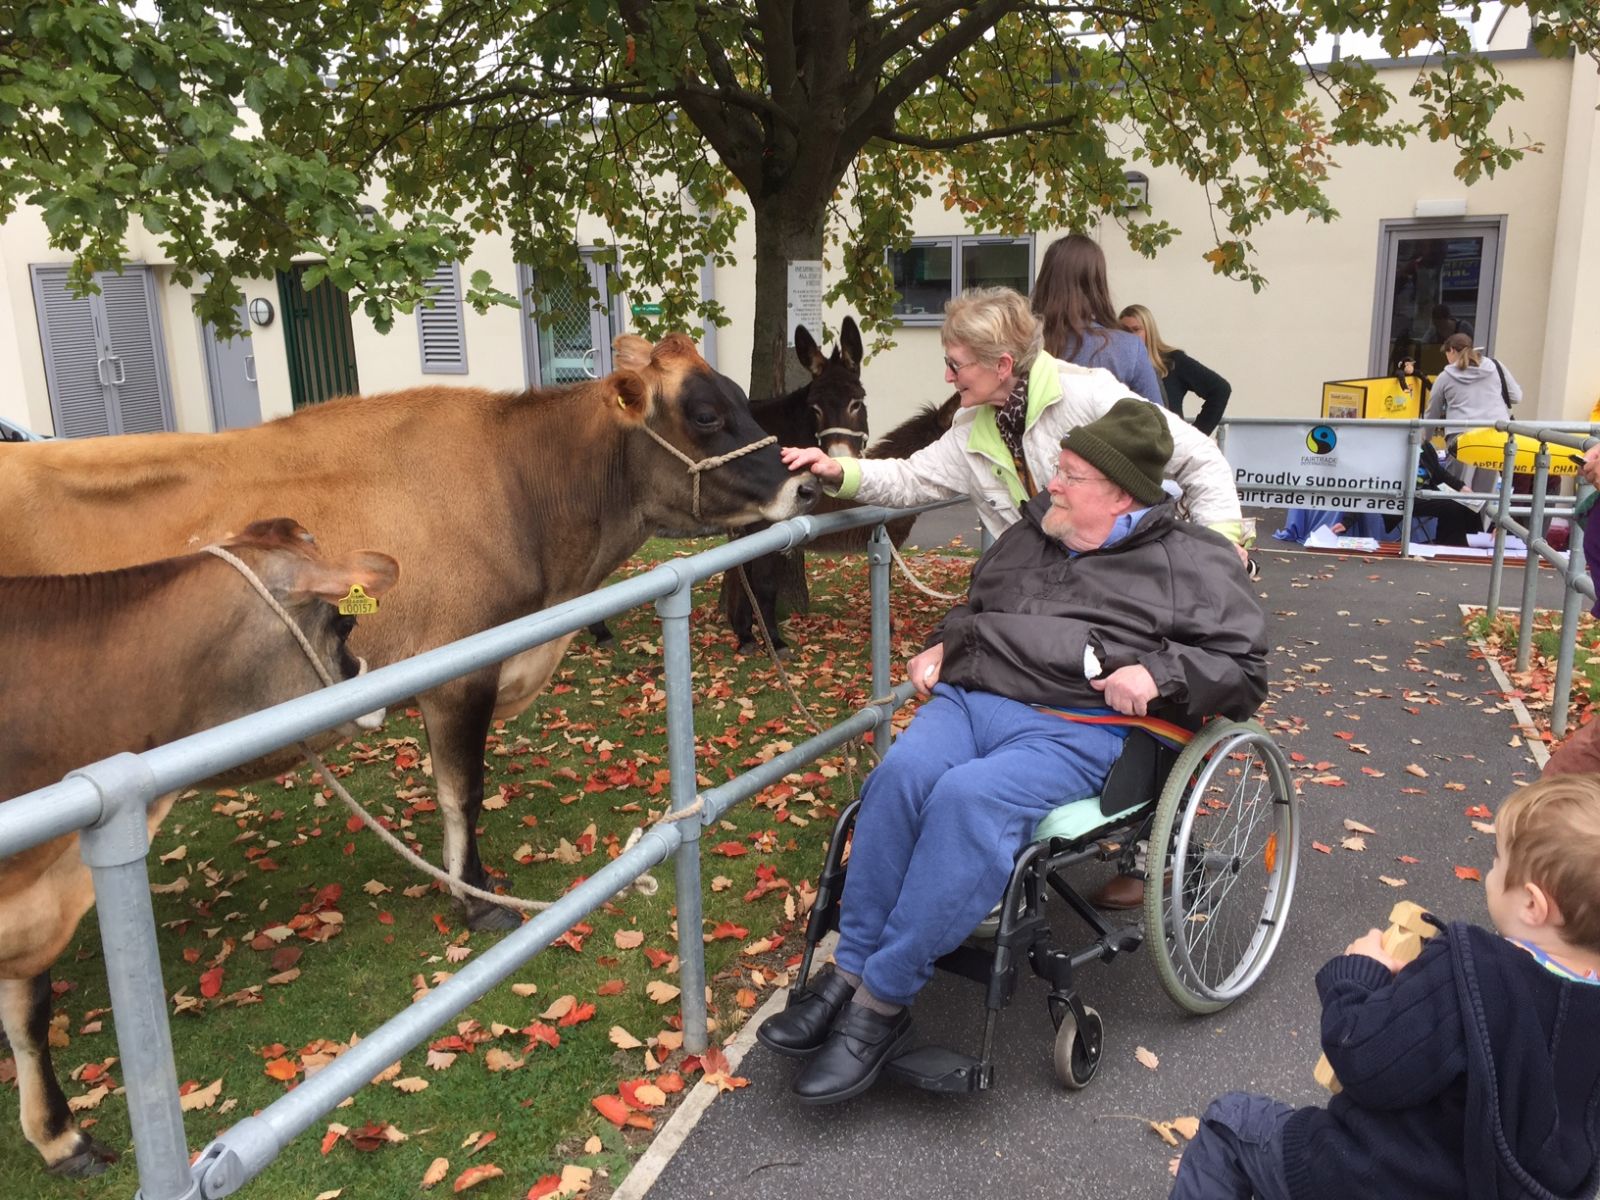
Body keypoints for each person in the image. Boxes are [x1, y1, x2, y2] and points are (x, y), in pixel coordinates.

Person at [759, 401, 1269, 1105]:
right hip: (974, 700)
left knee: (968, 802)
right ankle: (847, 971)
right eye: (1059, 467)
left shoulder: (1192, 563)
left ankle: (881, 1002)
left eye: (1072, 474)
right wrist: (946, 642)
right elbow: (977, 609)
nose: (1051, 483)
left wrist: (1162, 674)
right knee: (899, 777)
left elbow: (1243, 671)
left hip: (1074, 724)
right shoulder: (1032, 534)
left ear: (1121, 493)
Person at [1170, 773, 1600, 1200]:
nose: (1489, 871)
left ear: (1532, 904)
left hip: (1373, 1179)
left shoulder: (1471, 973)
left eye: (1497, 860)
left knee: (1230, 1125)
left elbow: (1362, 1060)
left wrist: (1358, 974)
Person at [779, 287, 1246, 551]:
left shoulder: (1088, 395)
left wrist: (1221, 550)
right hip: (1038, 601)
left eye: (956, 364)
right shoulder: (974, 429)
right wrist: (840, 470)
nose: (946, 376)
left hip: (1120, 598)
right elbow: (912, 479)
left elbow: (1201, 458)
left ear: (1002, 365)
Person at [1031, 234, 1164, 406]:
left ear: (1046, 281)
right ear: (1096, 283)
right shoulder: (1127, 348)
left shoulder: (1020, 345)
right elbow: (1158, 423)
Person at [1118, 303, 1232, 435]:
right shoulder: (1116, 366)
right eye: (1124, 331)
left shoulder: (1172, 361)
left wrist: (1195, 437)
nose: (1130, 336)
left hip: (1170, 449)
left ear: (1149, 332)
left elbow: (1220, 389)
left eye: (1136, 329)